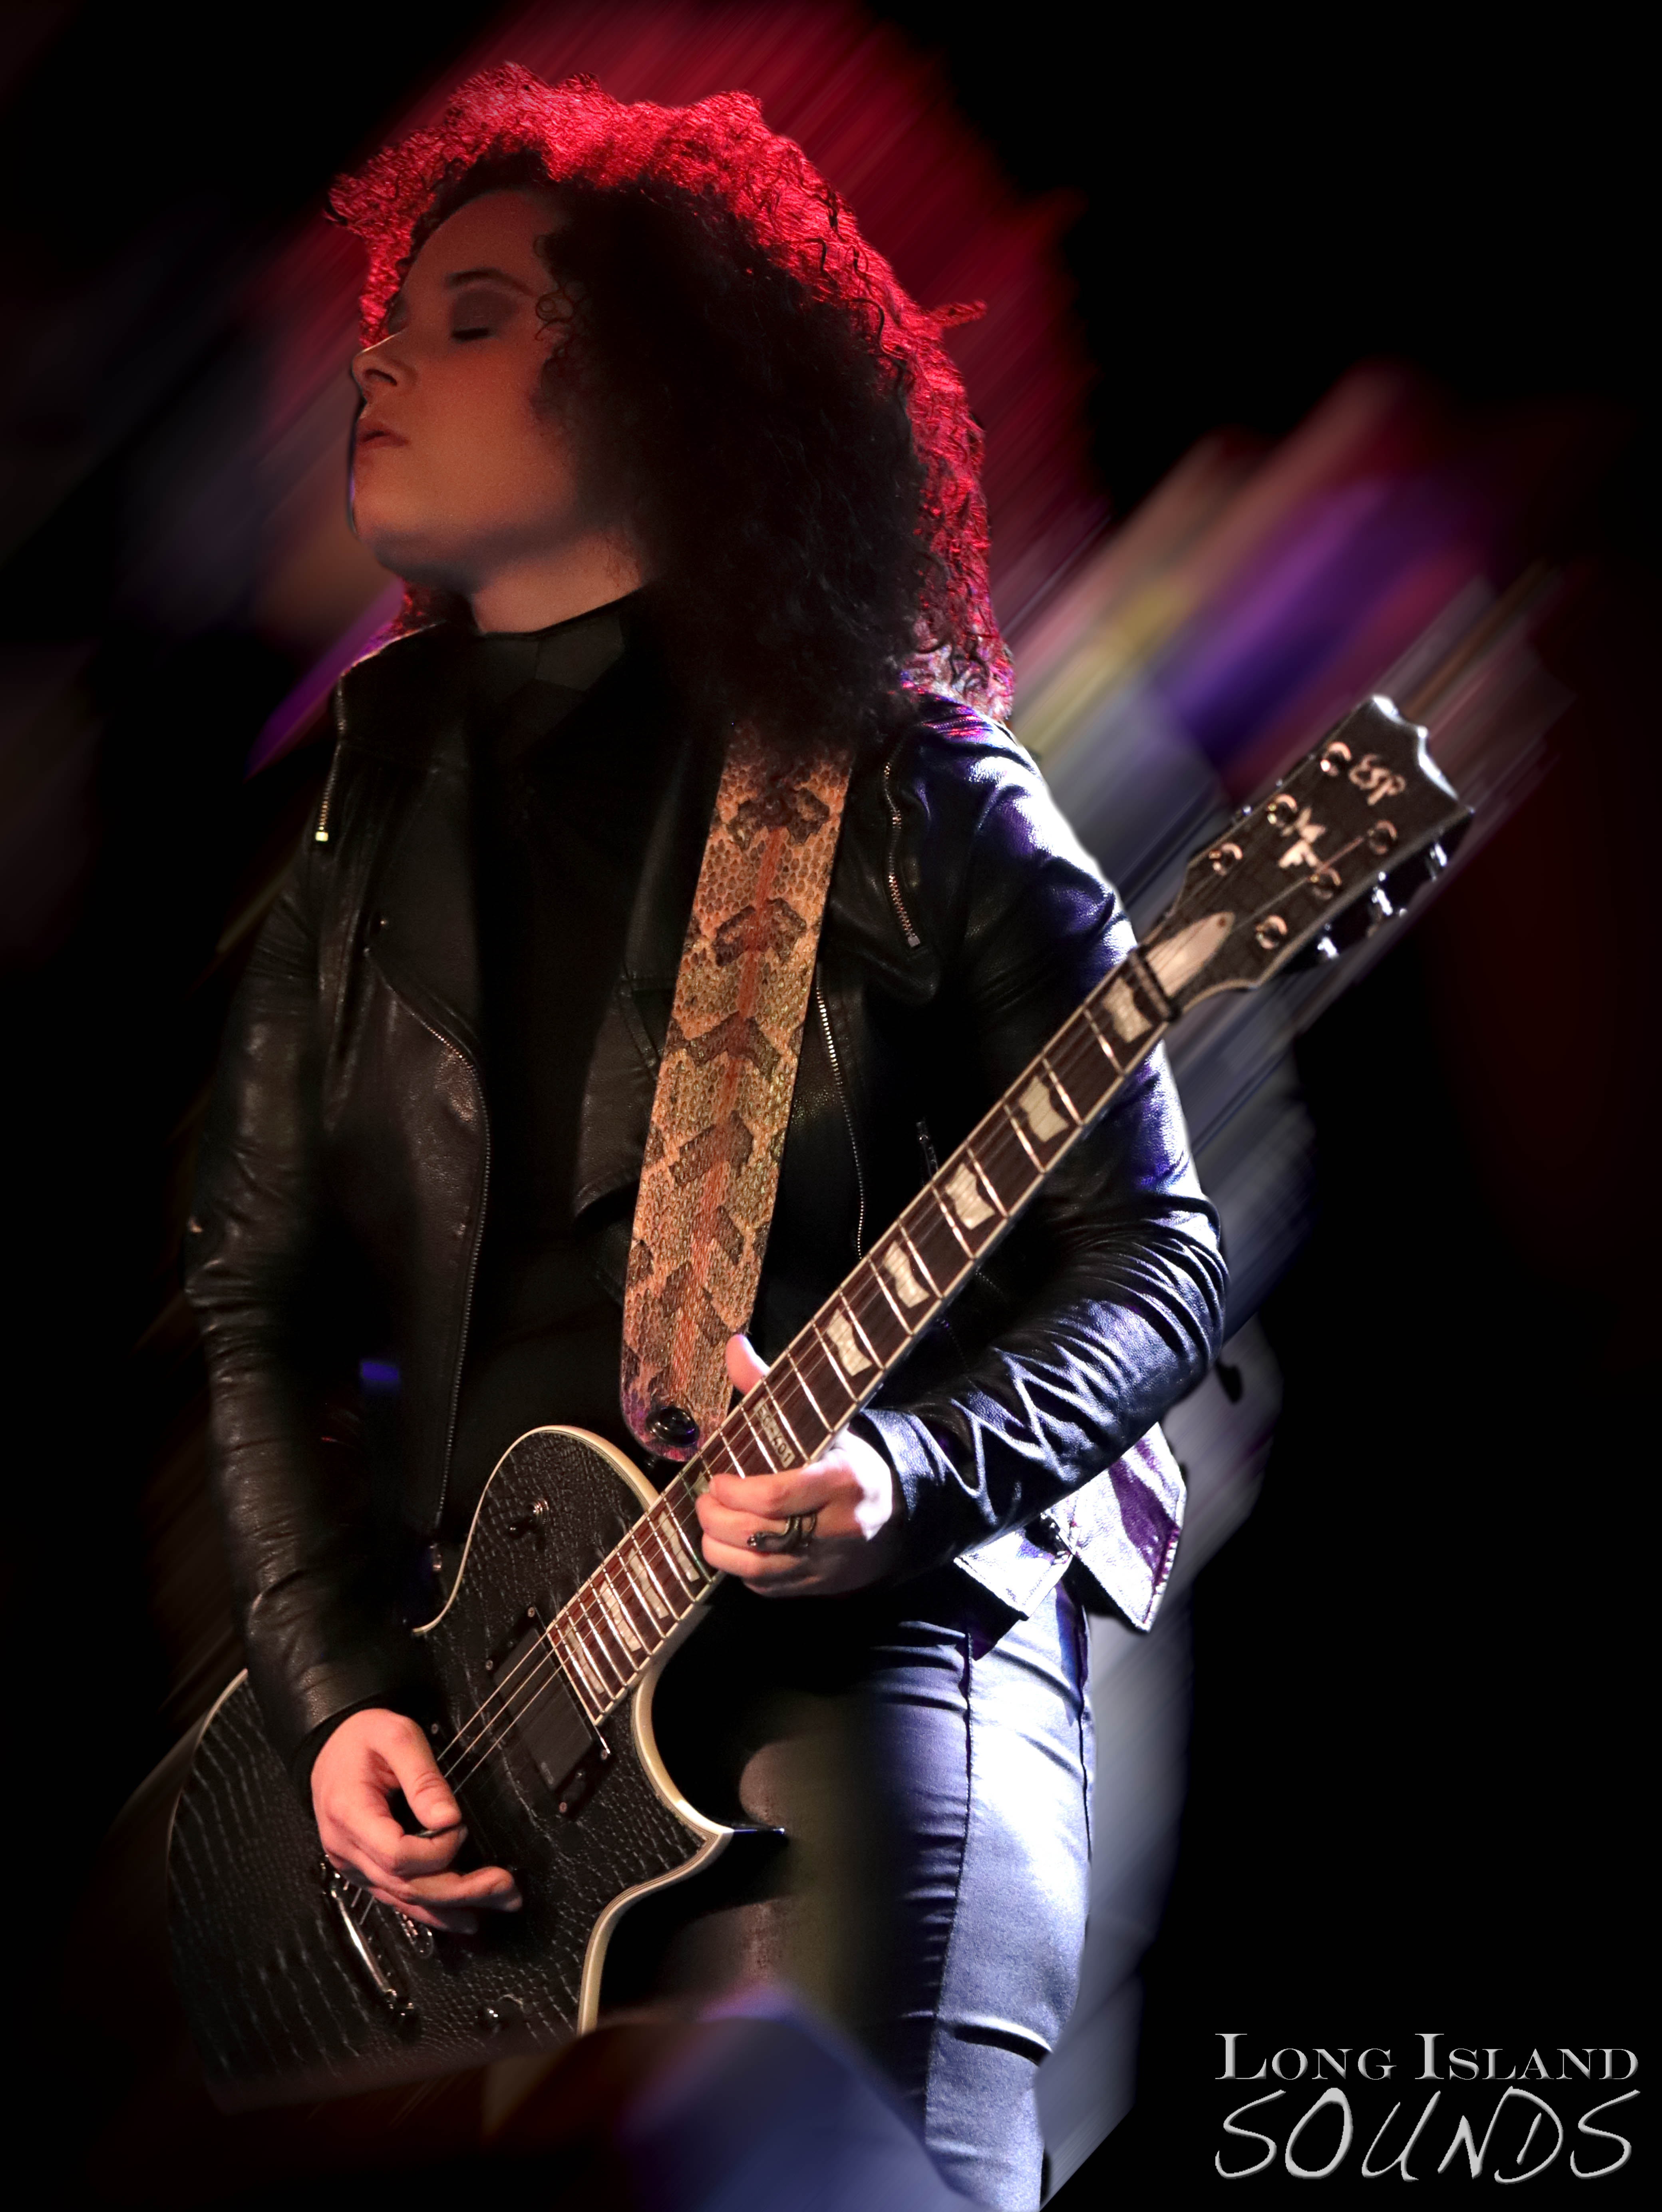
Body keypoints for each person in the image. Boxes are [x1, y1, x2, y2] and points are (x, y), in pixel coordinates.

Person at [183, 68, 1225, 2209]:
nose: (381, 359)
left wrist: (905, 1470)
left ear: (662, 387)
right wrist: (339, 1692)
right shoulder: (359, 830)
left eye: (476, 317)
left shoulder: (912, 795)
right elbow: (256, 1300)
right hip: (509, 1762)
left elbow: (1157, 1258)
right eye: (391, 314)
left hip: (860, 1687)